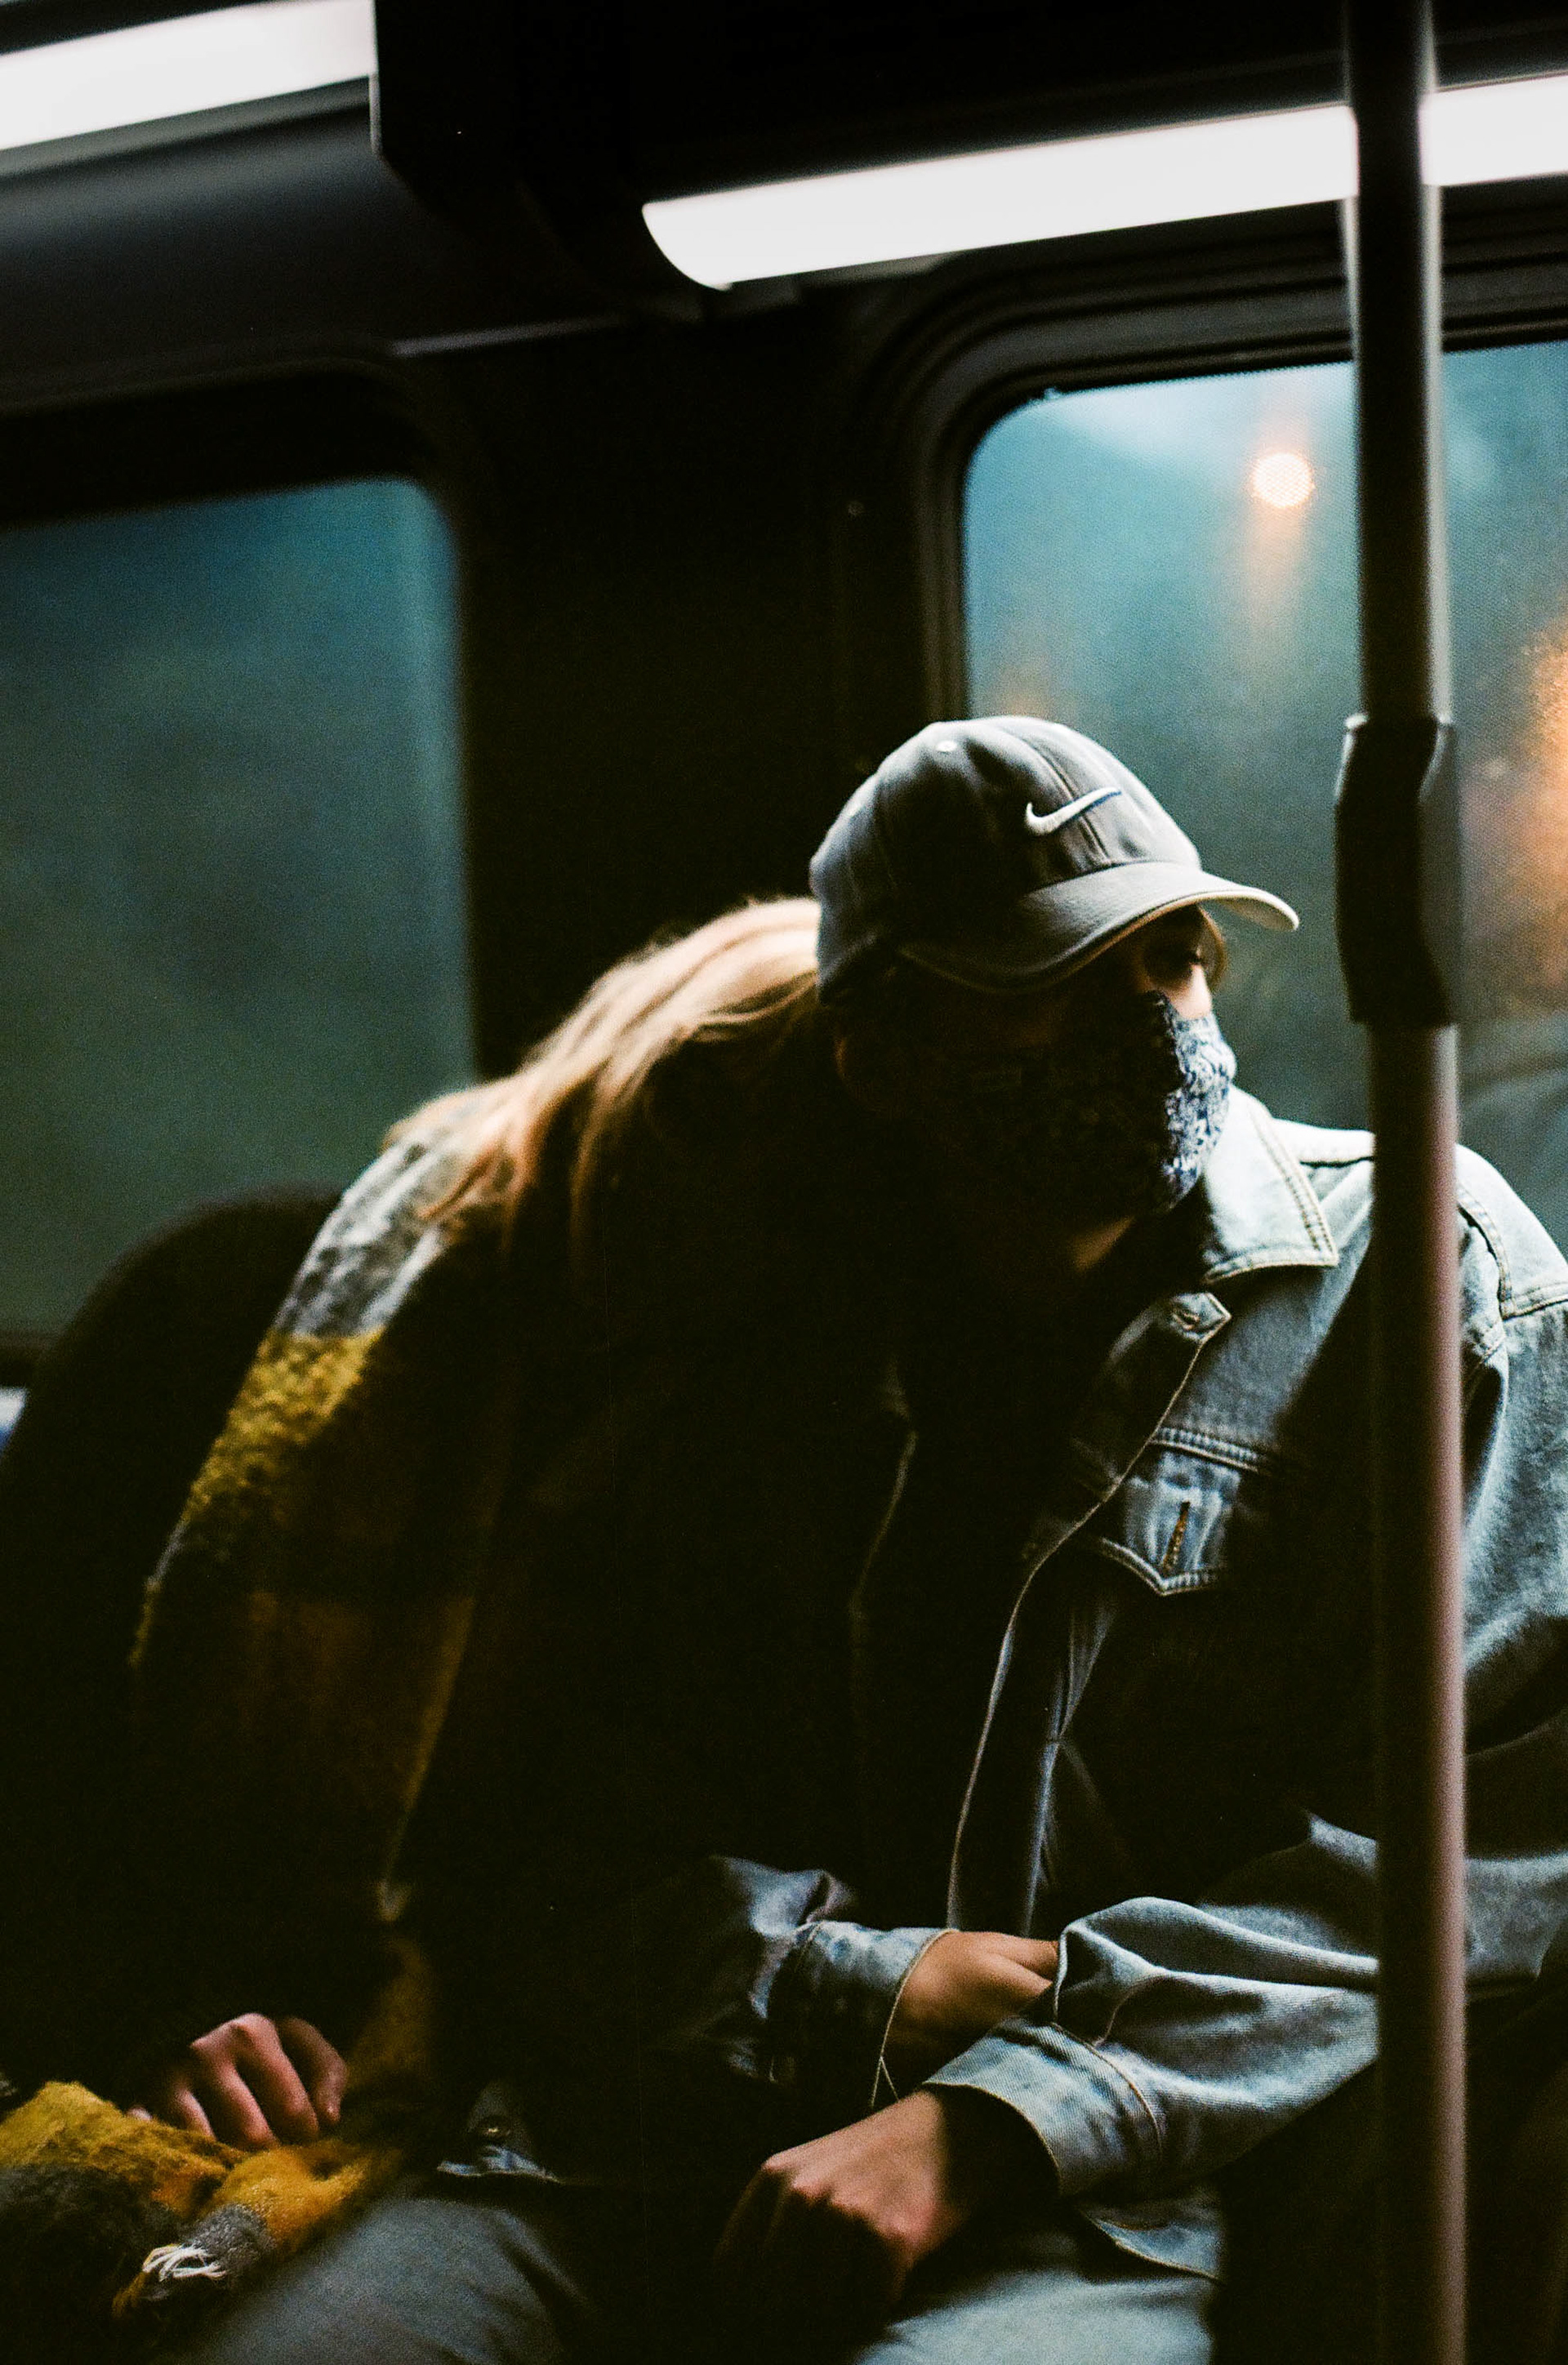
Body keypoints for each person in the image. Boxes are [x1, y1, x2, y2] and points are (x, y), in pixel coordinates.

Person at [117, 717, 1568, 2363]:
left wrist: (998, 2114)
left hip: (1098, 2194)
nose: (1153, 1018)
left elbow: (1478, 1857)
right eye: (1053, 977)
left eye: (1175, 954)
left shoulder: (1420, 1283)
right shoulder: (749, 1318)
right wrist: (855, 1987)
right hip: (641, 2143)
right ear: (885, 1056)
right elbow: (563, 1842)